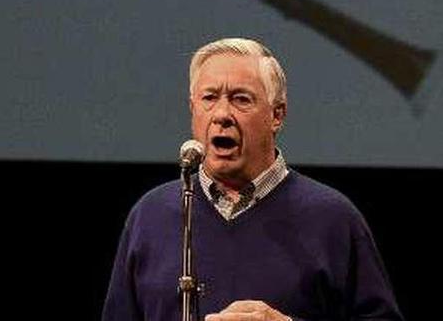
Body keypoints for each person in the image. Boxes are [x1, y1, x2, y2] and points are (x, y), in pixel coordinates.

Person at [102, 38, 403, 321]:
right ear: (193, 109)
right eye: (209, 98)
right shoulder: (151, 216)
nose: (222, 114)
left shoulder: (333, 219)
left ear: (277, 115)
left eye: (240, 99)